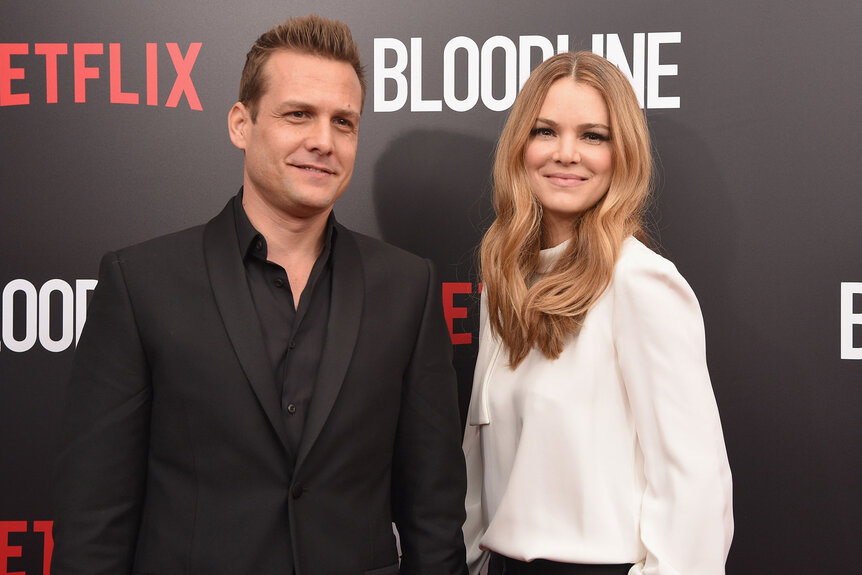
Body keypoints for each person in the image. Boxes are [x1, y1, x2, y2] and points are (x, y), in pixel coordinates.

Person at [52, 14, 468, 575]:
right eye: (298, 114)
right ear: (241, 124)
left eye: (343, 122)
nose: (322, 140)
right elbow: (94, 521)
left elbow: (434, 516)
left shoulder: (407, 286)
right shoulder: (141, 283)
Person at [462, 51, 733, 575]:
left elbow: (694, 486)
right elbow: (478, 460)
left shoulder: (639, 282)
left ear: (622, 152)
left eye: (593, 136)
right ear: (519, 146)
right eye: (545, 131)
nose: (567, 153)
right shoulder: (504, 284)